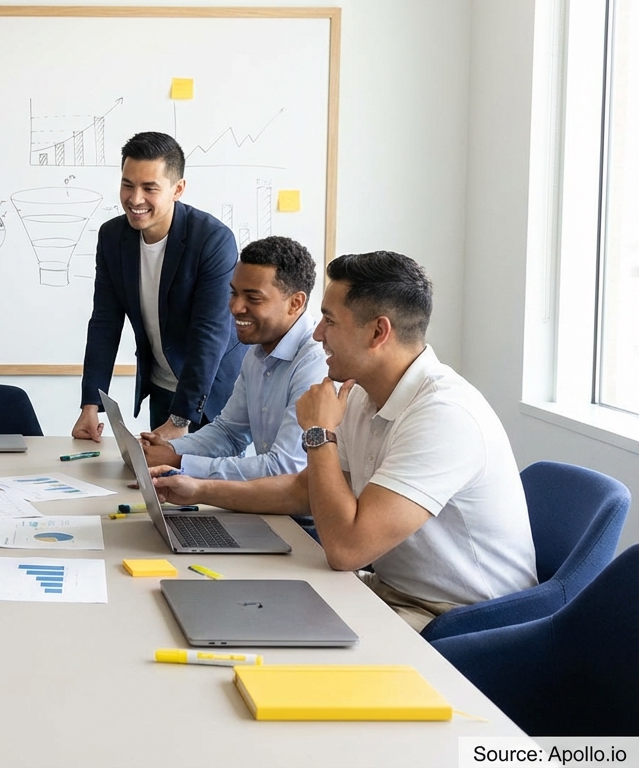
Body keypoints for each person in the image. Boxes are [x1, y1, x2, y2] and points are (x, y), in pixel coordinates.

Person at [152, 251, 537, 631]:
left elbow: (347, 550)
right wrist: (199, 490)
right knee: (235, 604)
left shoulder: (444, 415)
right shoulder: (362, 395)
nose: (317, 333)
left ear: (377, 332)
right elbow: (304, 491)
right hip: (389, 590)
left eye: (329, 320)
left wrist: (319, 434)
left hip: (458, 617)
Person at [74, 131, 246, 444]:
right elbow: (104, 323)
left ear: (177, 189)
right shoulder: (113, 237)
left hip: (211, 392)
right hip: (163, 386)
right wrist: (91, 405)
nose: (134, 199)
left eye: (149, 188)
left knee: (204, 489)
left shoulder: (212, 239)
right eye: (127, 184)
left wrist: (181, 419)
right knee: (157, 487)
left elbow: (210, 333)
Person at [138, 236, 327, 480]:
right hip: (267, 504)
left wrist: (177, 461)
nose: (236, 307)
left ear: (295, 303)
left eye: (253, 298)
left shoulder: (316, 362)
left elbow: (284, 468)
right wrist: (168, 448)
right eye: (234, 293)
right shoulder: (257, 353)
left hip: (302, 516)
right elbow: (229, 433)